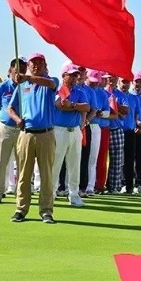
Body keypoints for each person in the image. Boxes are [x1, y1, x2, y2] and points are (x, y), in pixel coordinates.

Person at [7, 52, 58, 224]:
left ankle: (46, 211)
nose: (36, 65)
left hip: (46, 134)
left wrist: (28, 77)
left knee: (46, 175)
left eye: (39, 63)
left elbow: (50, 84)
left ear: (45, 66)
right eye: (33, 63)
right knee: (24, 174)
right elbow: (10, 109)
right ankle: (21, 209)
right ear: (28, 65)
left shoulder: (51, 82)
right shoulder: (22, 87)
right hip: (27, 134)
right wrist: (17, 119)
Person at [0, 57, 27, 204]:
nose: (19, 74)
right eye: (17, 70)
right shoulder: (3, 87)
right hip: (6, 129)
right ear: (10, 71)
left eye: (23, 70)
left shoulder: (27, 87)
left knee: (22, 162)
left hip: (23, 130)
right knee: (2, 162)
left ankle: (20, 192)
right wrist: (2, 116)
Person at [51, 63, 90, 207]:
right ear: (63, 76)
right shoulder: (59, 90)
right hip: (59, 130)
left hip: (75, 131)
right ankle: (51, 193)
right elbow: (60, 105)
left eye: (76, 75)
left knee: (75, 165)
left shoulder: (80, 91)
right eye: (71, 75)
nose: (75, 78)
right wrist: (75, 107)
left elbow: (86, 107)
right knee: (55, 164)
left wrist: (73, 105)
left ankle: (73, 195)